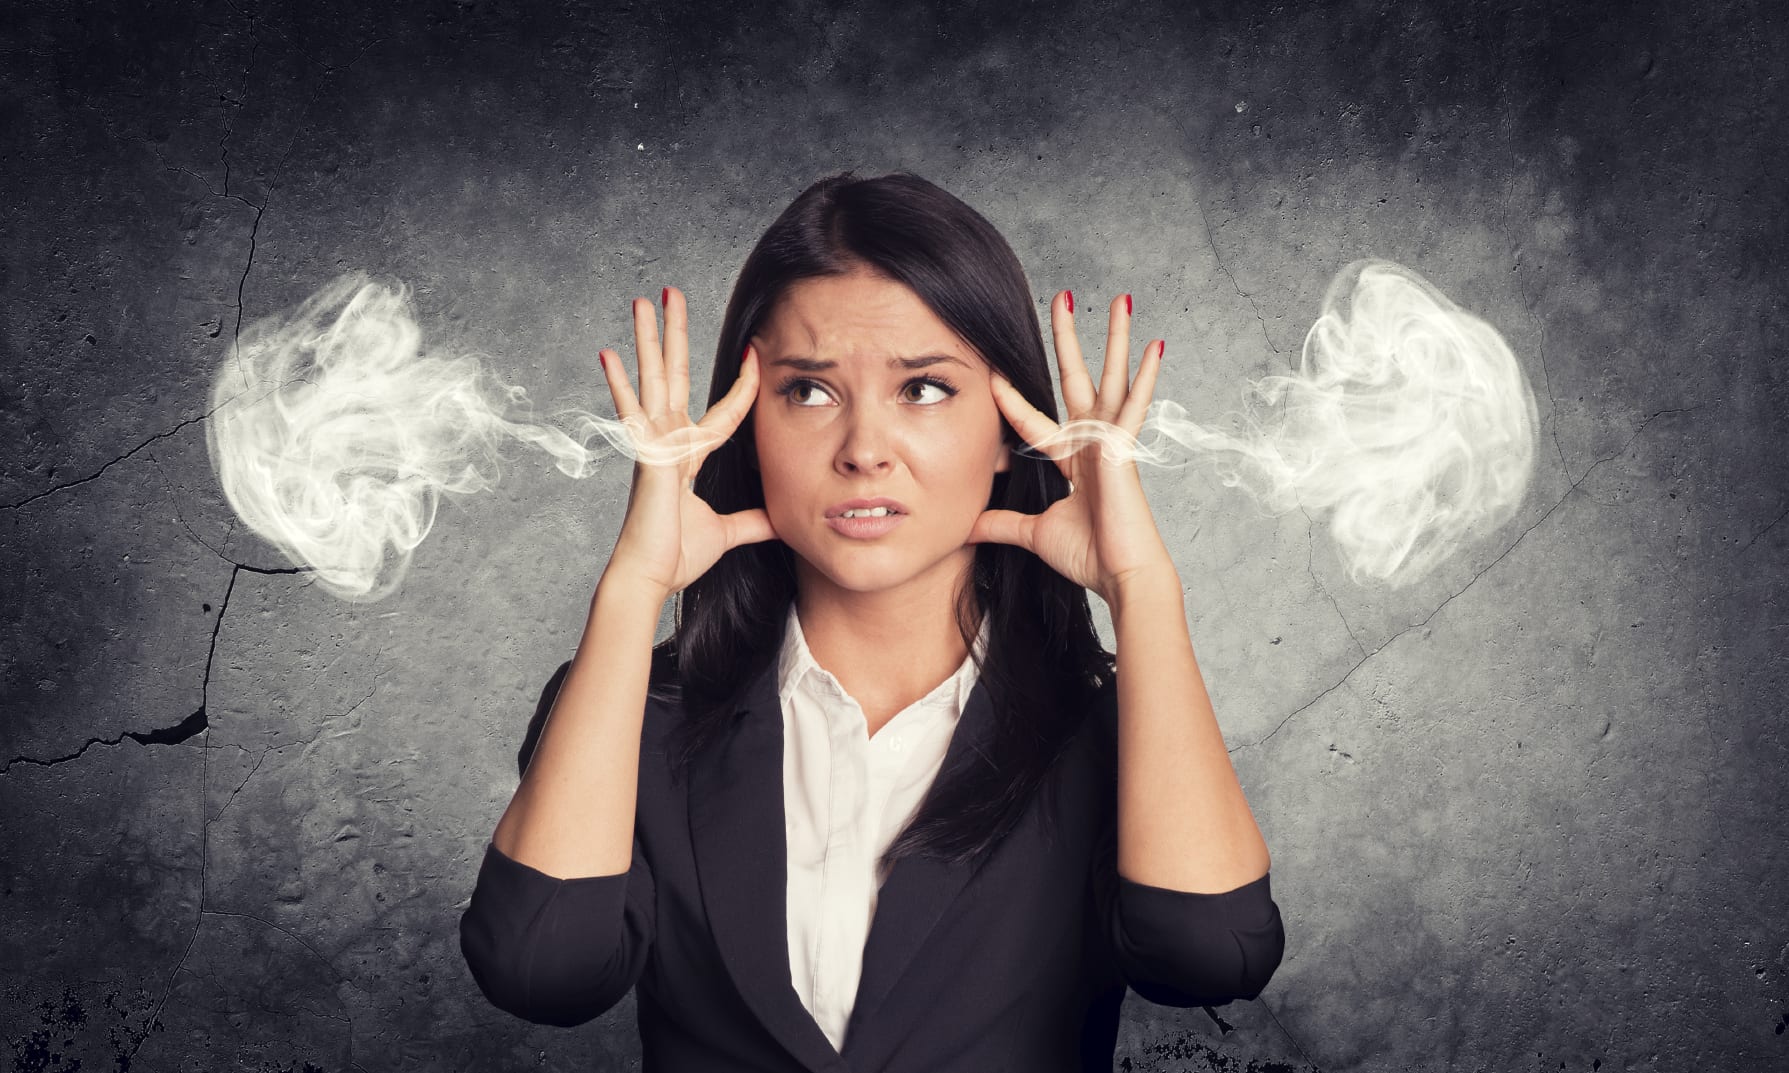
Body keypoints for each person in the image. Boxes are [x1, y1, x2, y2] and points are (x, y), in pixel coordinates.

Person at [459, 170, 1284, 1071]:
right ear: (746, 424)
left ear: (1011, 428)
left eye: (924, 388)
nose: (861, 450)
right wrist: (631, 587)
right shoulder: (638, 712)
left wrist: (1141, 586)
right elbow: (539, 972)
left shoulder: (1105, 727)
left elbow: (1211, 955)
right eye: (808, 391)